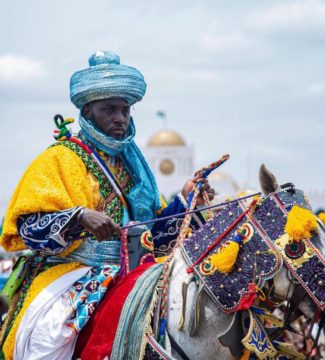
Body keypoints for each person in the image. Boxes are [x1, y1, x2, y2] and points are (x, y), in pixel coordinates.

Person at [0, 50, 214, 359]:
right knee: (47, 343)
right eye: (109, 110)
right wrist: (79, 218)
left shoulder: (134, 166)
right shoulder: (59, 157)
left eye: (125, 111)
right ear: (87, 112)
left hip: (138, 271)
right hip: (72, 272)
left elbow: (152, 234)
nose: (120, 118)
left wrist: (185, 198)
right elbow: (28, 228)